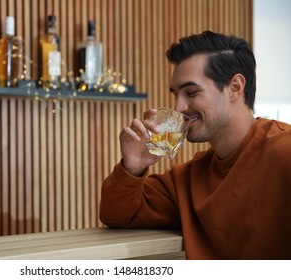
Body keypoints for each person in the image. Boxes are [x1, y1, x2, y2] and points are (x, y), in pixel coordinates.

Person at [99, 30, 291, 259]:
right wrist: (133, 167)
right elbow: (118, 215)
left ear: (235, 88)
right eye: (176, 95)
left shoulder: (284, 153)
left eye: (192, 92)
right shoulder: (188, 178)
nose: (179, 107)